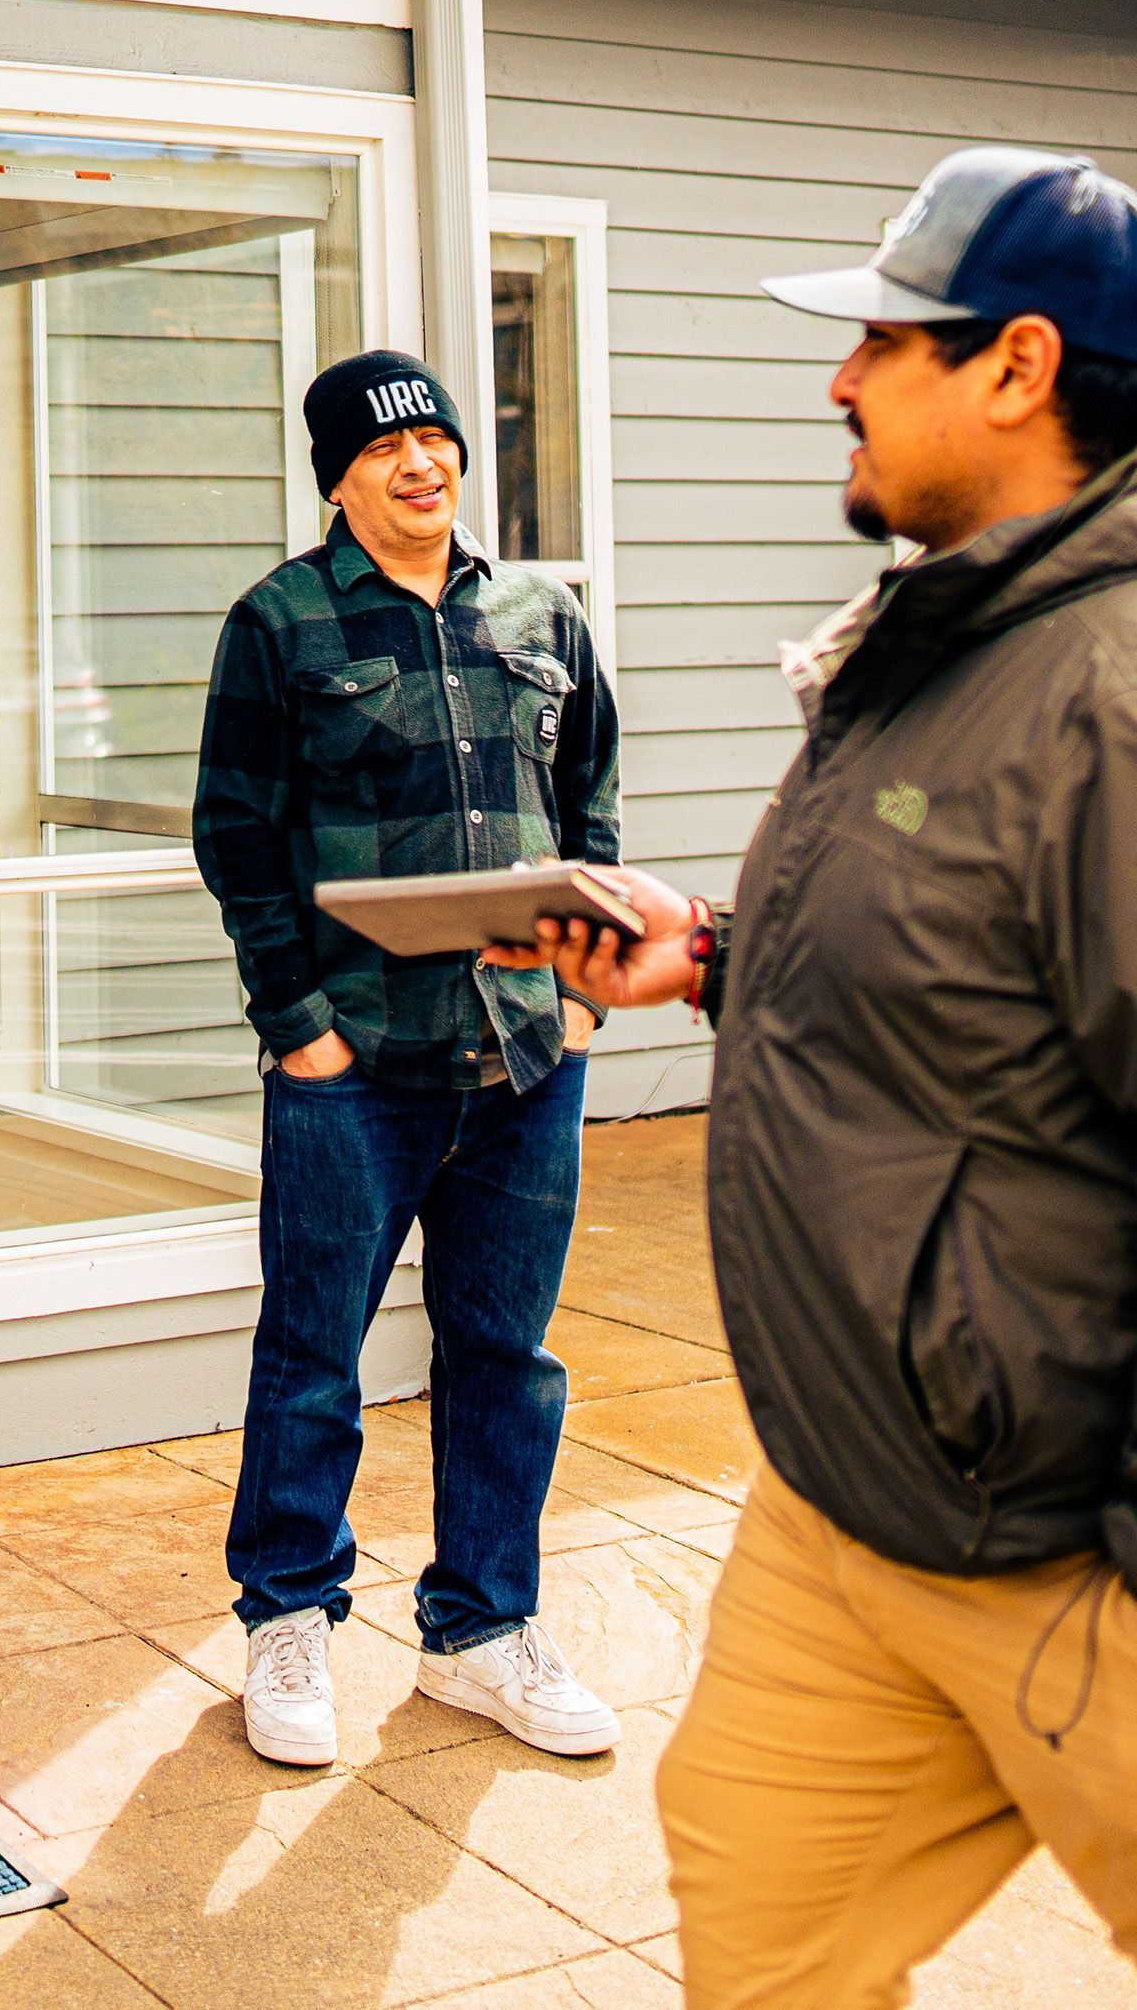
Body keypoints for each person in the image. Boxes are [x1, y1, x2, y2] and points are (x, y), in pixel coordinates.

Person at [488, 148, 1137, 2006]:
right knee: (756, 1911)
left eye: (879, 339)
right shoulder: (939, 643)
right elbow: (953, 970)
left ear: (1017, 367)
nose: (837, 380)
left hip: (1059, 1555)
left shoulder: (1108, 688)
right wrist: (709, 957)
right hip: (851, 1506)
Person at [192, 347, 622, 1769]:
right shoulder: (285, 622)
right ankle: (289, 1616)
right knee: (313, 1351)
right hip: (354, 1064)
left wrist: (580, 964)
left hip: (520, 1062)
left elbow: (590, 795)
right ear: (340, 476)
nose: (421, 462)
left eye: (436, 437)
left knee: (506, 1351)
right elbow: (236, 836)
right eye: (387, 449)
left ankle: (482, 1629)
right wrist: (296, 1022)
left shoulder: (538, 609)